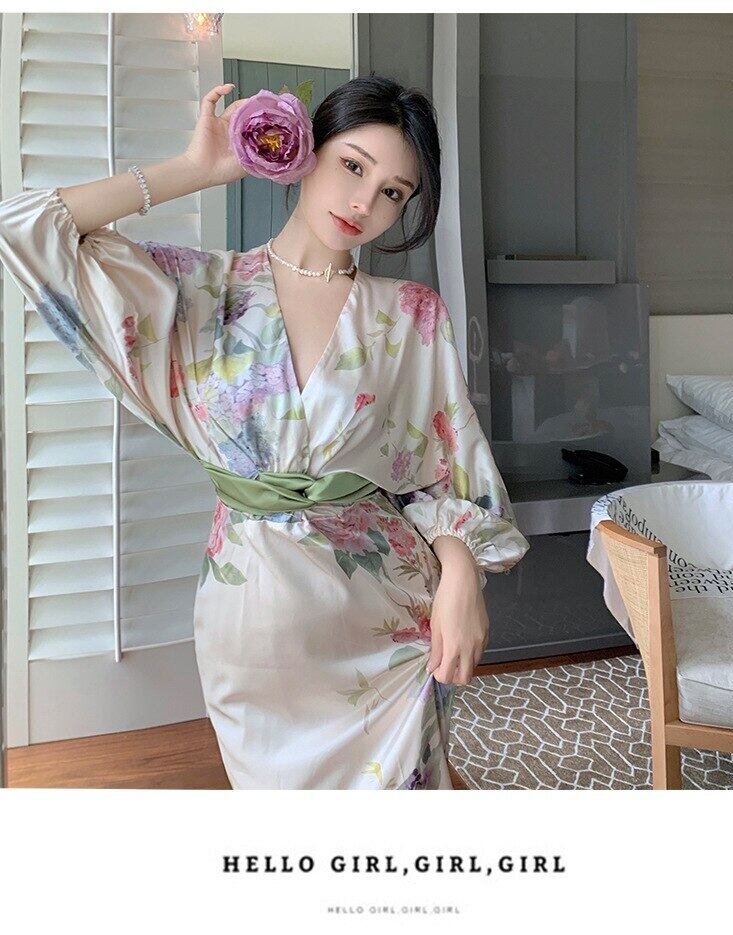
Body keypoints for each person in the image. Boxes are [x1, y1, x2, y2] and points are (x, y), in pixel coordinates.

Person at [0, 74, 529, 790]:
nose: (364, 203)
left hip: (392, 626)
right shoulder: (199, 291)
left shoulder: (410, 313)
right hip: (252, 626)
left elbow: (442, 477)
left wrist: (462, 575)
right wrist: (192, 171)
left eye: (393, 192)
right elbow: (26, 227)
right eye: (352, 166)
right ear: (307, 151)